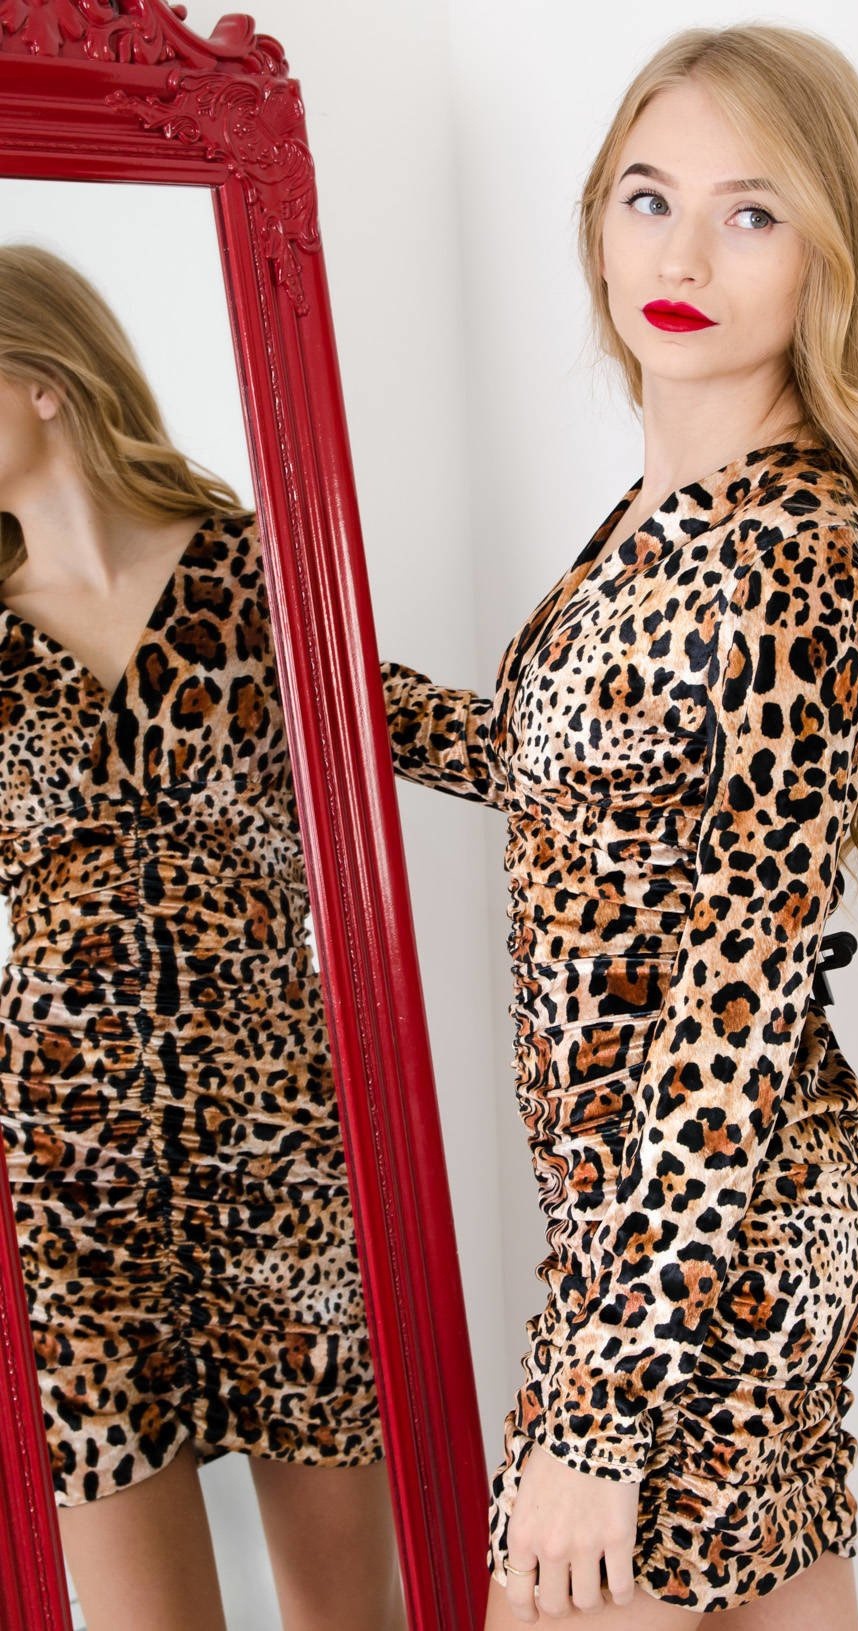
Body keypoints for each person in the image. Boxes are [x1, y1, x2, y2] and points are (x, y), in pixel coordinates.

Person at [380, 21, 858, 1630]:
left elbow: (737, 998)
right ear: (597, 220)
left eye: (751, 213)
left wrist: (593, 1421)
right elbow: (567, 773)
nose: (683, 257)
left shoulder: (791, 554)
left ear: (828, 256)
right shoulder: (670, 519)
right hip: (691, 1232)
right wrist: (318, 683)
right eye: (648, 198)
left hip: (701, 1247)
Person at [0, 244, 404, 1631]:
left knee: (349, 1614)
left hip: (279, 1151)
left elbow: (410, 728)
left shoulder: (253, 574)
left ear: (43, 381)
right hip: (67, 1179)